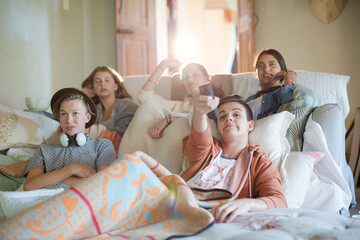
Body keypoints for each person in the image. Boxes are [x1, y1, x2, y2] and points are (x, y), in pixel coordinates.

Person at [181, 94, 287, 223]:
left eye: (236, 115)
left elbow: (279, 201)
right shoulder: (208, 149)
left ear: (250, 125)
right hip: (177, 205)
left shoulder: (259, 161)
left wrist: (246, 204)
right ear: (218, 129)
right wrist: (199, 112)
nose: (228, 118)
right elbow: (200, 134)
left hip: (214, 220)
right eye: (222, 116)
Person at [23, 88, 116, 191]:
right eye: (63, 114)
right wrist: (72, 169)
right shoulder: (44, 150)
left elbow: (102, 184)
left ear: (87, 117)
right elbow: (29, 185)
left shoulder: (102, 146)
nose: (69, 120)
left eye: (75, 113)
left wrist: (51, 179)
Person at [138, 58, 223, 138]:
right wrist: (163, 65)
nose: (190, 79)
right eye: (186, 77)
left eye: (195, 74)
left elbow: (213, 125)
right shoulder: (181, 106)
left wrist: (172, 119)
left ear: (206, 77)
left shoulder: (218, 104)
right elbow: (145, 98)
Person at [83, 66, 138, 137]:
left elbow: (124, 132)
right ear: (93, 88)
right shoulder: (95, 110)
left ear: (116, 86)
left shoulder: (126, 104)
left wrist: (94, 131)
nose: (102, 84)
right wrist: (83, 96)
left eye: (107, 80)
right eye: (97, 81)